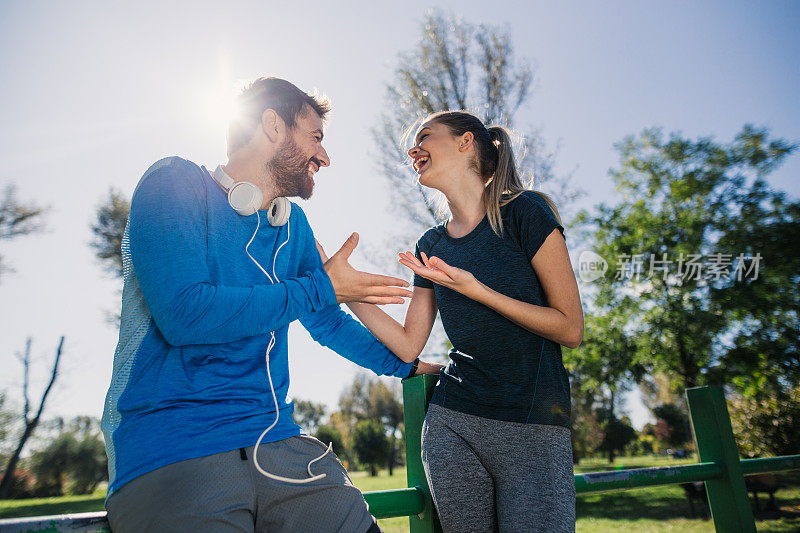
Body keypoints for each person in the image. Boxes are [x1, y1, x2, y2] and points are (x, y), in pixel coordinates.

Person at [100, 77, 441, 533]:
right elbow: (185, 313)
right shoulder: (173, 183)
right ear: (273, 126)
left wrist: (406, 367)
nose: (324, 156)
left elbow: (327, 323)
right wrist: (320, 288)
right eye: (316, 137)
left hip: (281, 446)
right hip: (174, 450)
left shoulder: (292, 225)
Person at [320, 111, 584, 532]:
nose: (413, 149)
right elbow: (409, 345)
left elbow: (571, 328)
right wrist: (347, 293)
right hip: (453, 425)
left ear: (465, 143)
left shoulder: (525, 213)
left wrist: (476, 289)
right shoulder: (432, 244)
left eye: (425, 136)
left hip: (532, 428)